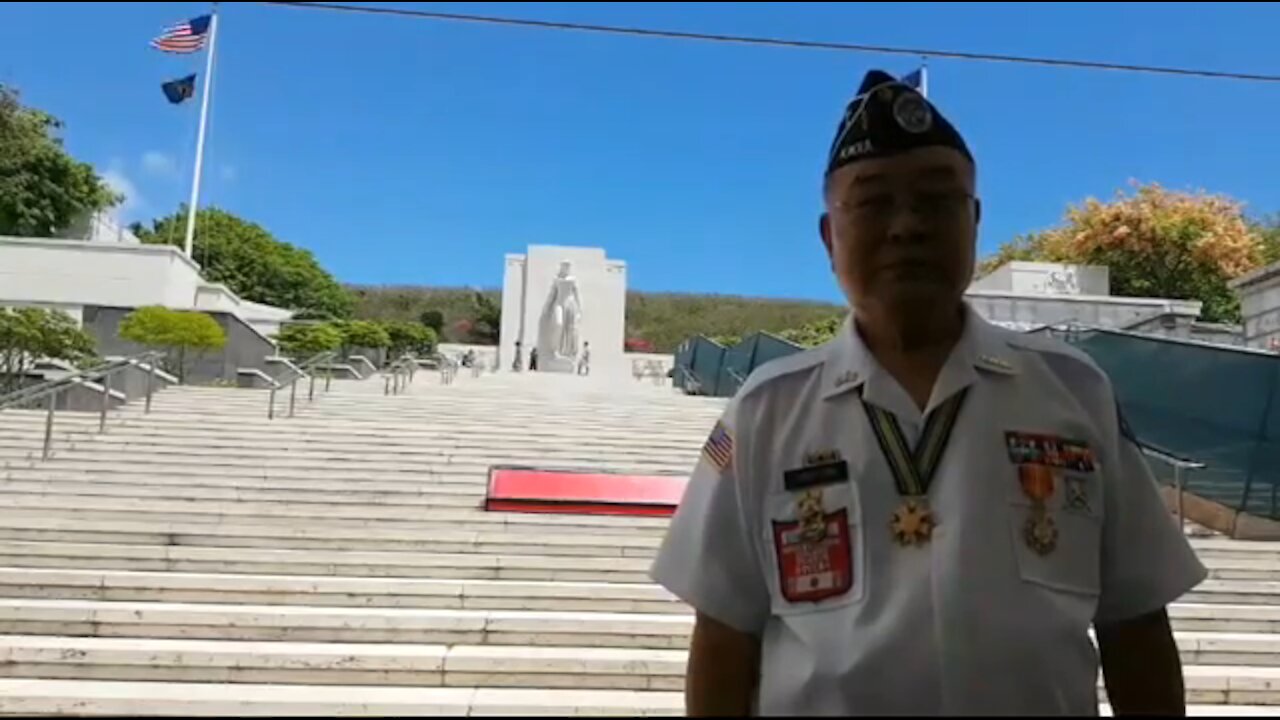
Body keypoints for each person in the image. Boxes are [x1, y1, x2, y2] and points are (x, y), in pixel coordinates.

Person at [650, 69, 1206, 717]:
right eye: (874, 202)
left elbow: (1136, 624)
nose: (907, 225)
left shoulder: (1073, 392)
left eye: (936, 200)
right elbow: (724, 636)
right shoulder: (767, 411)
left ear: (974, 222)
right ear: (830, 238)